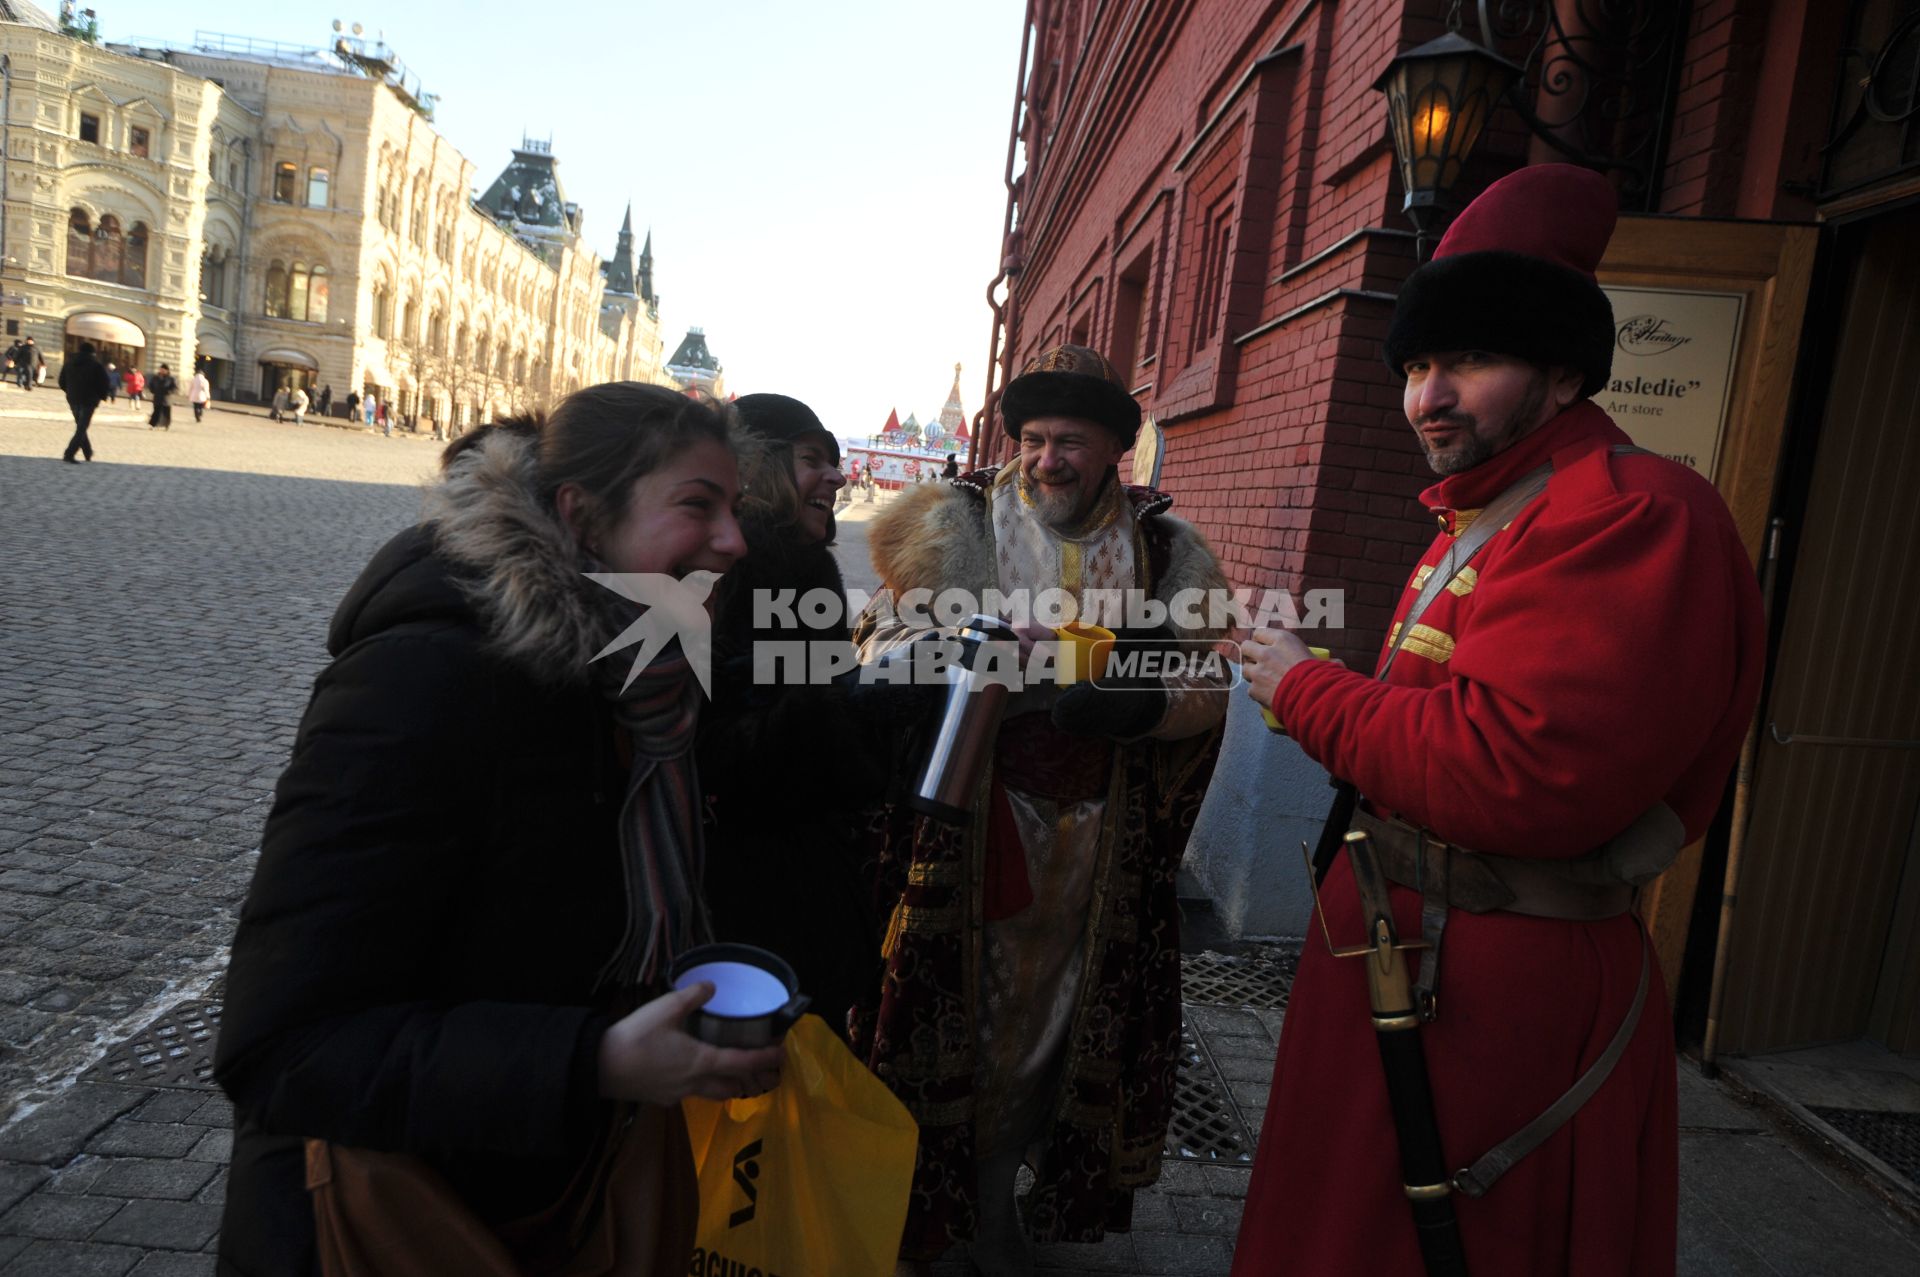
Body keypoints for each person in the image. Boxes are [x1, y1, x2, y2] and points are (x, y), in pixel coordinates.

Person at [1231, 165, 1766, 1277]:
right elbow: (1440, 713)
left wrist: (1302, 690)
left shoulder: (1629, 511)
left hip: (1488, 994)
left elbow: (1507, 770)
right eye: (1419, 364)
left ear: (1564, 371)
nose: (1429, 394)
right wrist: (1316, 688)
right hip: (1406, 953)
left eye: (1468, 360)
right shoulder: (1490, 510)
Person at [214, 383, 776, 1277]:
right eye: (696, 506)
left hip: (562, 1193)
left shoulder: (647, 679)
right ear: (580, 515)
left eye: (735, 508)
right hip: (395, 1219)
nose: (736, 540)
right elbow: (284, 1046)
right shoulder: (425, 679)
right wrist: (591, 1059)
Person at [854, 345, 1230, 1274]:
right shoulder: (956, 524)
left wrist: (1144, 703)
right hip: (973, 824)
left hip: (1100, 843)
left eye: (1070, 440)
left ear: (1115, 451)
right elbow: (879, 653)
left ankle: (992, 1204)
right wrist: (973, 652)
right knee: (950, 1020)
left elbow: (1210, 680)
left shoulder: (1169, 551)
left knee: (1054, 1033)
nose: (1047, 459)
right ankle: (921, 1215)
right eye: (1032, 438)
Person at [698, 394, 918, 1044]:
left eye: (836, 461)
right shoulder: (726, 570)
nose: (837, 475)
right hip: (731, 892)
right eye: (812, 459)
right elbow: (722, 755)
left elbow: (817, 716)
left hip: (810, 870)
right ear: (761, 467)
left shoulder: (810, 570)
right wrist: (850, 701)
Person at [57, 342, 111, 464]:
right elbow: (104, 383)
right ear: (92, 353)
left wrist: (70, 392)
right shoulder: (96, 365)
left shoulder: (69, 363)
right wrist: (102, 396)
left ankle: (87, 452)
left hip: (73, 399)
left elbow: (61, 381)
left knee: (80, 427)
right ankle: (69, 453)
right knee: (81, 428)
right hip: (89, 400)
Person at [146, 364, 177, 430]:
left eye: (163, 370)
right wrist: (152, 390)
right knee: (156, 412)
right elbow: (150, 385)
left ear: (167, 370)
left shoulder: (170, 378)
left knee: (166, 413)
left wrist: (169, 391)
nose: (162, 371)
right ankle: (153, 425)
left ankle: (166, 425)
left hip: (166, 399)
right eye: (161, 369)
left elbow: (174, 388)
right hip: (157, 397)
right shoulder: (156, 377)